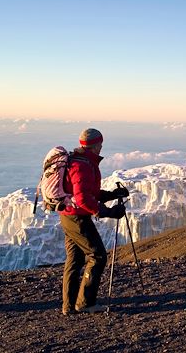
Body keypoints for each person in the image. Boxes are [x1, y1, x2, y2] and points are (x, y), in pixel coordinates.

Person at [59, 128, 128, 315]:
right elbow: (82, 198)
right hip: (77, 218)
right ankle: (85, 303)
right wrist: (107, 212)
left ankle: (69, 306)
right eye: (100, 144)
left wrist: (111, 195)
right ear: (96, 145)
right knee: (97, 256)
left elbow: (88, 192)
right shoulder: (83, 165)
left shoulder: (79, 161)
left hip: (68, 215)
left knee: (75, 259)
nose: (101, 148)